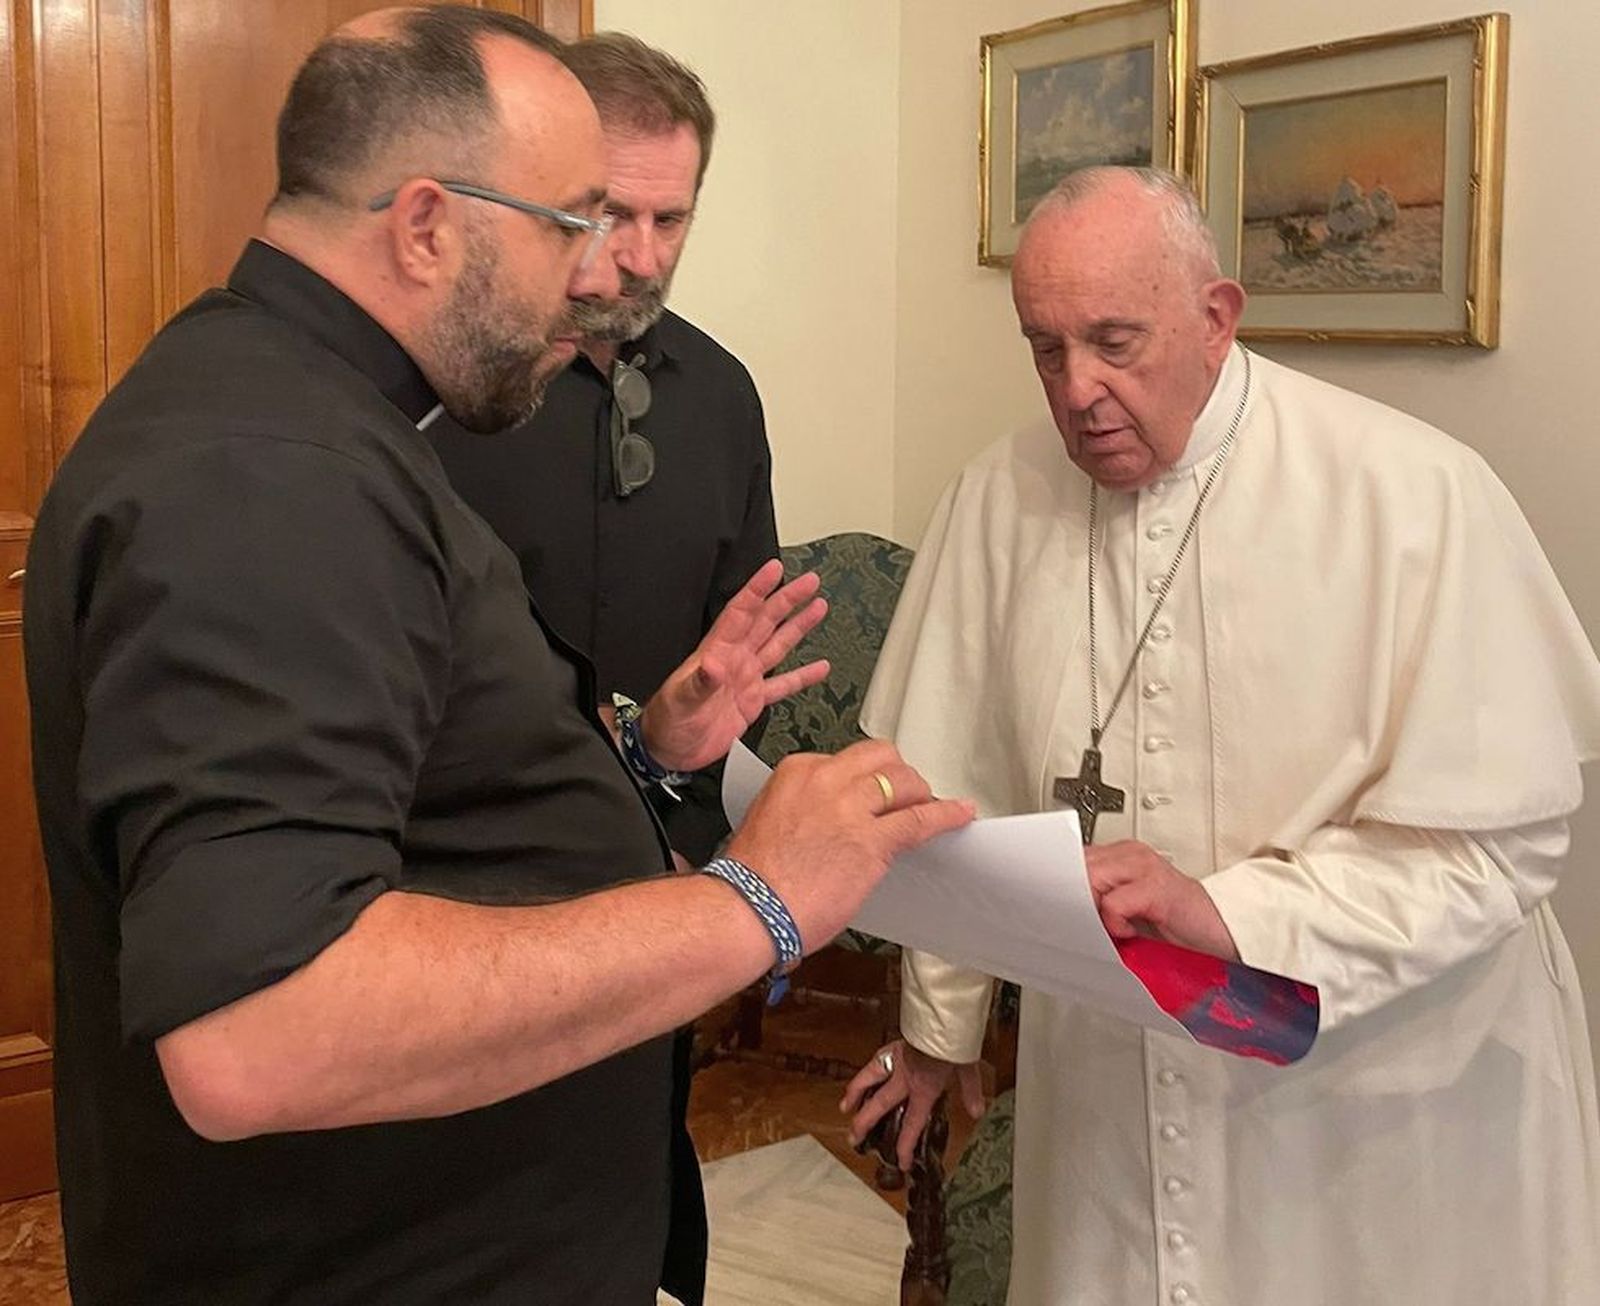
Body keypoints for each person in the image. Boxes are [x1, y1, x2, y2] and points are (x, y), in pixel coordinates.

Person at [23, 9, 973, 1305]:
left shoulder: (317, 417)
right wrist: (753, 901)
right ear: (426, 224)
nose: (595, 275)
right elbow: (260, 1025)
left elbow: (417, 783)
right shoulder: (267, 477)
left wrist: (645, 749)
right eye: (569, 223)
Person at [844, 167, 1600, 1305]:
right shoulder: (999, 497)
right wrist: (940, 1028)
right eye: (1046, 349)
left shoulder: (1410, 493)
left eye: (1115, 343)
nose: (1078, 391)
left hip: (1377, 1097)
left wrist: (1231, 915)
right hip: (1113, 1076)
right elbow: (950, 795)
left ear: (1216, 316)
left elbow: (1498, 848)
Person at [430, 31, 770, 868]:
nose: (643, 258)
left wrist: (685, 850)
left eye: (671, 219)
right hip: (452, 874)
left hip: (664, 861)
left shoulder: (724, 396)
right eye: (612, 214)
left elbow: (737, 662)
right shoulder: (439, 387)